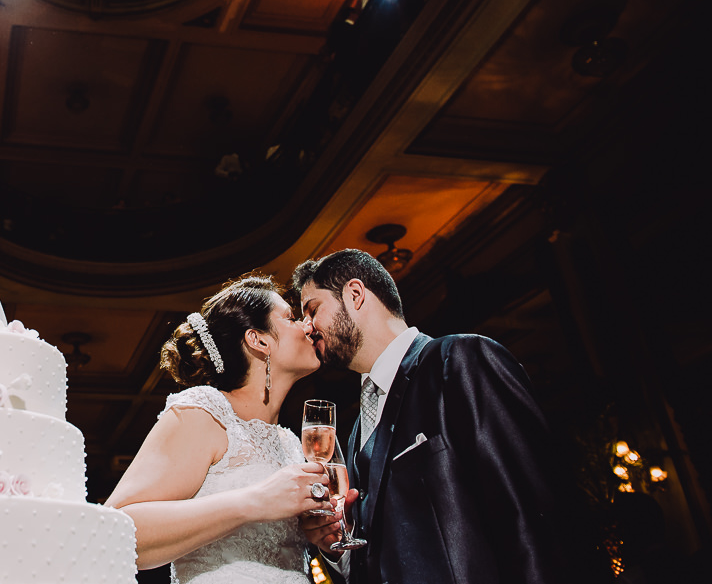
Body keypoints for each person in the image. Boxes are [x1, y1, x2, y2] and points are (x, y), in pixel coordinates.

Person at [294, 249, 567, 584]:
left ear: (355, 294)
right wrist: (337, 548)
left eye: (312, 310)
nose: (306, 327)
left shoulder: (459, 361)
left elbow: (531, 511)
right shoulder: (352, 436)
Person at [106, 274, 330, 583]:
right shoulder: (206, 411)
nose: (307, 326)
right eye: (290, 318)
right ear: (259, 340)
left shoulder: (291, 443)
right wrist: (255, 501)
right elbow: (117, 530)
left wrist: (321, 536)